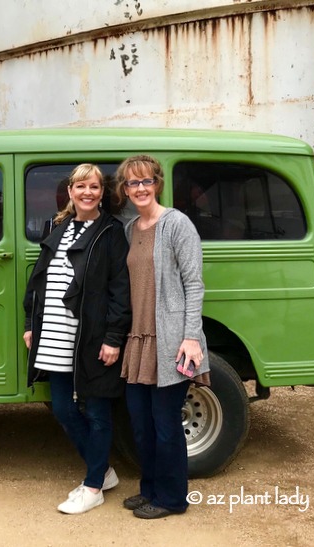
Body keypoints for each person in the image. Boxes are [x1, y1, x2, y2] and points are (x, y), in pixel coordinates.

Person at [23, 163, 131, 515]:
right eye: (81, 186)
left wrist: (114, 338)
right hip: (54, 336)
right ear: (70, 192)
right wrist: (30, 323)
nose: (87, 192)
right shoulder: (59, 227)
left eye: (95, 187)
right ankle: (104, 471)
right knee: (64, 410)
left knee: (98, 412)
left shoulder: (111, 232)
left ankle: (94, 486)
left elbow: (120, 289)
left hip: (91, 337)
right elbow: (39, 280)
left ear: (102, 193)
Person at [113, 154, 211, 519]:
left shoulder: (177, 224)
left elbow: (194, 283)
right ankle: (150, 489)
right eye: (131, 183)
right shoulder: (131, 229)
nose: (139, 189)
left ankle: (172, 499)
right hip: (138, 341)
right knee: (141, 425)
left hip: (171, 342)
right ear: (125, 190)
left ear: (157, 183)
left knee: (166, 425)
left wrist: (190, 337)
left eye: (145, 181)